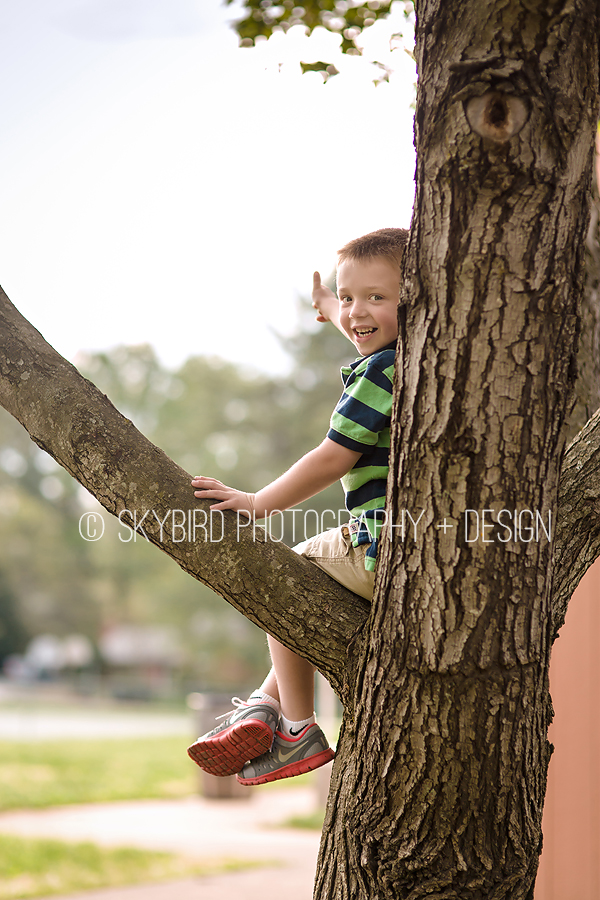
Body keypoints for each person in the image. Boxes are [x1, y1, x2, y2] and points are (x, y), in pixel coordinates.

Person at [187, 227, 409, 785]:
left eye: (376, 297)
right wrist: (331, 305)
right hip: (409, 549)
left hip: (383, 546)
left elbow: (332, 459)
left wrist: (257, 502)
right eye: (350, 295)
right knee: (299, 581)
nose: (358, 312)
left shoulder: (381, 371)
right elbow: (361, 317)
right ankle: (263, 707)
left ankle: (298, 727)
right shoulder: (406, 355)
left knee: (290, 571)